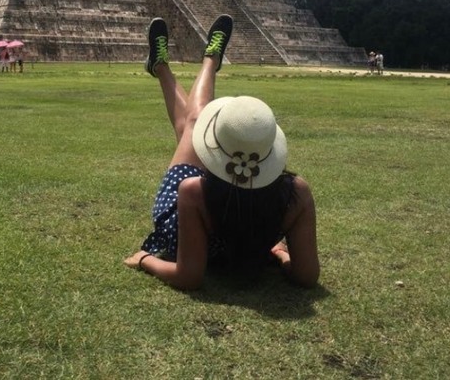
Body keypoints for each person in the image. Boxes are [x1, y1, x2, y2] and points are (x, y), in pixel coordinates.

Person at [124, 16, 319, 290]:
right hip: (244, 245)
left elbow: (188, 276)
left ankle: (192, 63)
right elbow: (307, 276)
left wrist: (145, 259)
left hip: (188, 232)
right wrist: (283, 253)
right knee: (190, 126)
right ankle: (182, 63)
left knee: (193, 124)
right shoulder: (296, 192)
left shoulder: (192, 190)